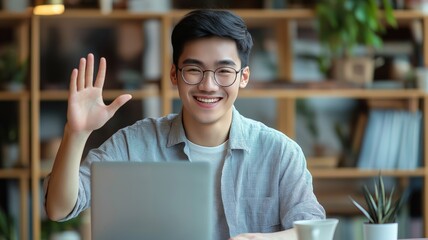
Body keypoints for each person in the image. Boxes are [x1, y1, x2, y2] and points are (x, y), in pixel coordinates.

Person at [44, 9, 326, 240]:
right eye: (193, 69)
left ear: (244, 77)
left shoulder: (280, 152)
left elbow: (314, 232)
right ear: (174, 75)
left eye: (224, 71)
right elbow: (59, 208)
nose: (208, 85)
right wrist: (76, 133)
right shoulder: (134, 143)